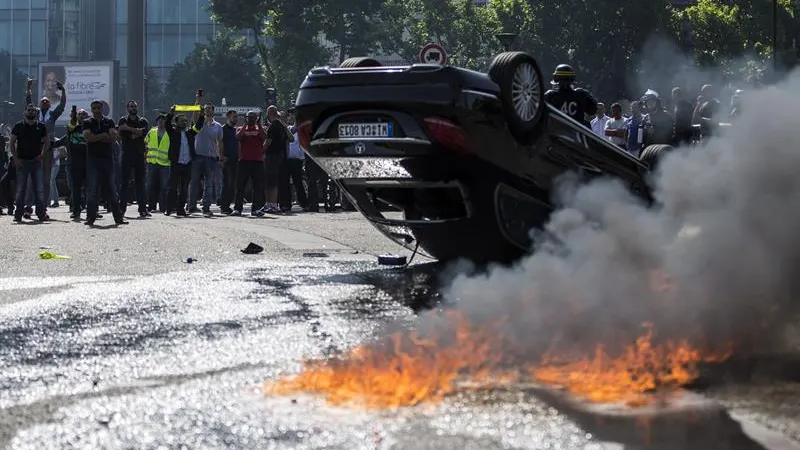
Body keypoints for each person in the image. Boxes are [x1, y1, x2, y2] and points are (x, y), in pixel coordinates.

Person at [24, 77, 66, 216]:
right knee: (31, 179)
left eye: (46, 101)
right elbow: (28, 102)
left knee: (47, 180)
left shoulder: (53, 115)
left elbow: (62, 105)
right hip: (34, 149)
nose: (44, 103)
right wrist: (29, 88)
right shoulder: (34, 114)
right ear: (40, 105)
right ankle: (29, 207)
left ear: (49, 105)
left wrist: (63, 91)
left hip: (47, 150)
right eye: (42, 101)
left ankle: (43, 207)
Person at [82, 100, 126, 226]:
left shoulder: (109, 121)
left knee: (112, 189)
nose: (97, 110)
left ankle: (118, 218)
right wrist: (103, 136)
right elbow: (88, 138)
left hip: (107, 159)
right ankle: (90, 218)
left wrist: (98, 137)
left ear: (102, 109)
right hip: (93, 160)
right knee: (93, 189)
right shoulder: (87, 122)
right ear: (91, 110)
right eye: (94, 108)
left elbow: (114, 137)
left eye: (99, 108)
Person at [8, 104, 49, 222]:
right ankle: (18, 214)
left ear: (36, 113)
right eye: (29, 110)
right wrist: (15, 159)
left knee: (39, 189)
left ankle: (41, 214)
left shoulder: (41, 126)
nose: (31, 112)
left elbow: (47, 142)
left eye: (33, 110)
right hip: (22, 162)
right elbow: (12, 142)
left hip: (36, 161)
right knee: (21, 190)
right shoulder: (18, 126)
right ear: (25, 112)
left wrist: (42, 155)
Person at [188, 96, 223, 217]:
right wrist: (198, 100)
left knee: (209, 183)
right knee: (194, 182)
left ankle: (206, 206)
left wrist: (221, 156)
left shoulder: (218, 126)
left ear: (213, 111)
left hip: (211, 157)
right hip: (197, 156)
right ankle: (191, 206)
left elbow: (220, 142)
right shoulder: (199, 122)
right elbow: (195, 113)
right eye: (206, 108)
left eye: (210, 109)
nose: (207, 110)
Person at [117, 100, 150, 218]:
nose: (133, 108)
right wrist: (137, 132)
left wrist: (129, 129)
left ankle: (142, 209)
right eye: (131, 106)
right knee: (124, 183)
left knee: (140, 183)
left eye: (135, 106)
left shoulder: (143, 120)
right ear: (127, 108)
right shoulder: (123, 120)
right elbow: (124, 135)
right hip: (126, 155)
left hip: (140, 155)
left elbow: (144, 132)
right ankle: (122, 209)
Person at [164, 107, 198, 216]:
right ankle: (169, 209)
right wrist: (171, 113)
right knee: (173, 188)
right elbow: (167, 124)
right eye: (181, 120)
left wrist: (201, 114)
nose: (184, 122)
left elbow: (199, 125)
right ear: (176, 122)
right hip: (176, 164)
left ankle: (180, 209)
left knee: (184, 189)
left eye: (185, 121)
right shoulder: (173, 132)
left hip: (187, 164)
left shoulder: (190, 133)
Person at [233, 110, 266, 216]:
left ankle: (255, 209)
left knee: (257, 187)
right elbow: (238, 137)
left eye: (253, 117)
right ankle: (238, 208)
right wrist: (245, 125)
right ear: (246, 118)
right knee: (240, 186)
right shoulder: (240, 128)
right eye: (249, 117)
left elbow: (264, 137)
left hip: (258, 161)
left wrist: (259, 125)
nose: (251, 119)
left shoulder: (260, 128)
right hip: (244, 161)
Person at [259, 105, 292, 214]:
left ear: (268, 114)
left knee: (271, 182)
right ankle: (270, 203)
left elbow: (268, 142)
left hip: (272, 156)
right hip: (280, 156)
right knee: (271, 181)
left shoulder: (274, 126)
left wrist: (260, 152)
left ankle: (272, 204)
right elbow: (291, 138)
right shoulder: (281, 125)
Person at [66, 107, 90, 220]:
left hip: (89, 162)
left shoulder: (91, 127)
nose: (82, 116)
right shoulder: (73, 127)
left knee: (91, 188)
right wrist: (73, 117)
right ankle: (76, 211)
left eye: (84, 114)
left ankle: (92, 210)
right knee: (76, 188)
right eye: (79, 114)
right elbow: (70, 126)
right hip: (75, 163)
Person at [145, 114, 171, 213]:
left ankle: (163, 207)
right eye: (159, 120)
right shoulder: (152, 131)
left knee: (164, 186)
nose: (161, 122)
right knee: (151, 185)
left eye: (163, 120)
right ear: (156, 121)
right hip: (152, 162)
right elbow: (145, 142)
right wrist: (146, 155)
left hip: (165, 163)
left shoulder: (169, 132)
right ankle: (151, 206)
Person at [219, 109, 239, 215]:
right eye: (234, 117)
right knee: (227, 183)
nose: (236, 118)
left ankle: (227, 205)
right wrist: (221, 157)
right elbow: (220, 143)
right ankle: (224, 206)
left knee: (232, 185)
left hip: (236, 160)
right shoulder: (223, 129)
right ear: (228, 117)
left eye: (236, 117)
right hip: (227, 160)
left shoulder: (235, 130)